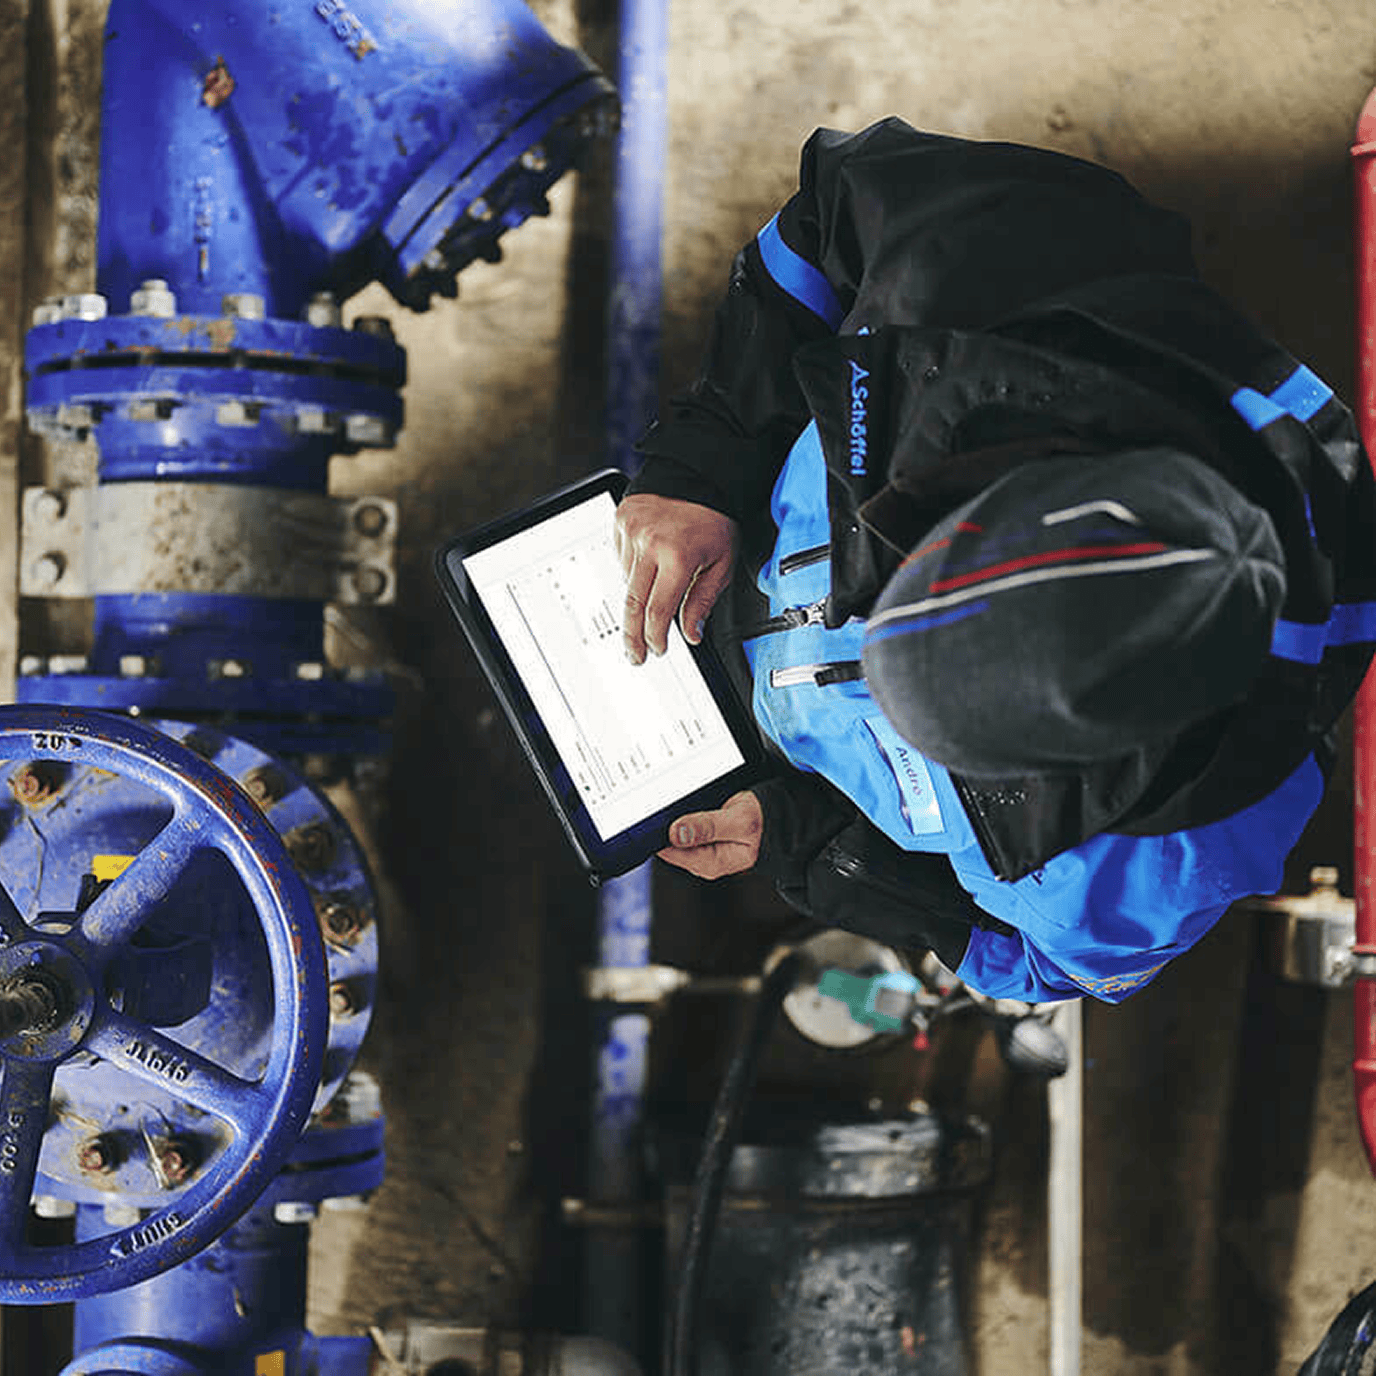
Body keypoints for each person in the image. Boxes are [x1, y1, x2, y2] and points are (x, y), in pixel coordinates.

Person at [614, 116, 1376, 1003]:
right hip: (699, 546)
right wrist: (702, 467)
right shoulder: (991, 271)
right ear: (978, 495)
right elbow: (825, 216)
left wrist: (801, 837)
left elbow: (1043, 968)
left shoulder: (1147, 876)